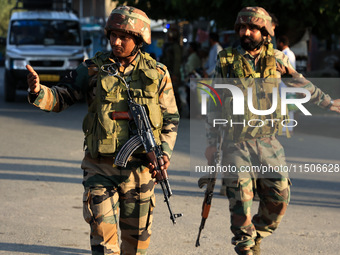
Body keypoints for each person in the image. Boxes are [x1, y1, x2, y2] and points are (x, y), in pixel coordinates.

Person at [26, 6, 179, 255]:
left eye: (124, 37)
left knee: (136, 246)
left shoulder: (158, 73)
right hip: (100, 167)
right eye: (113, 35)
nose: (116, 42)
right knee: (104, 243)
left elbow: (171, 117)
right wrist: (38, 92)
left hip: (140, 171)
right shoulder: (92, 69)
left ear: (139, 39)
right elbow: (60, 98)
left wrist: (164, 152)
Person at [205, 6, 340, 255]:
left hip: (268, 141)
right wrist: (211, 143)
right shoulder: (226, 60)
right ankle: (246, 246)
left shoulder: (277, 59)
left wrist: (328, 102)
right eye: (242, 28)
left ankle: (256, 234)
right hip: (236, 143)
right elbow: (214, 102)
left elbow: (300, 83)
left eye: (252, 28)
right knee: (240, 204)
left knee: (280, 197)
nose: (246, 32)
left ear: (264, 31)